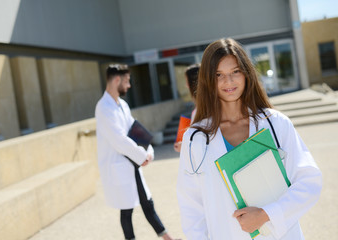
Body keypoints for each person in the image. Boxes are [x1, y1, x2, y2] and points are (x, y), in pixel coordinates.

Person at [176, 38, 322, 240]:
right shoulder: (195, 138)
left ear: (246, 74)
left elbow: (309, 181)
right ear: (208, 80)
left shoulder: (276, 123)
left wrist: (266, 215)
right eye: (219, 75)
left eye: (235, 72)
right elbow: (191, 208)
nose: (229, 82)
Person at [95, 64, 179, 240]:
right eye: (126, 81)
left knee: (147, 202)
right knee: (126, 210)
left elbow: (136, 130)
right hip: (121, 164)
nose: (129, 85)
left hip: (131, 164)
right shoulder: (104, 108)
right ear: (117, 79)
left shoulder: (122, 105)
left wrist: (147, 151)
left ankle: (167, 238)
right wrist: (142, 156)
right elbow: (118, 139)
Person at [173, 63, 200, 152]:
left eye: (187, 80)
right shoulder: (200, 107)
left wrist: (184, 145)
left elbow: (203, 140)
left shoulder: (204, 109)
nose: (186, 85)